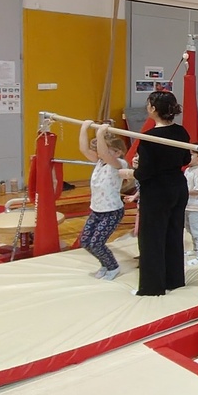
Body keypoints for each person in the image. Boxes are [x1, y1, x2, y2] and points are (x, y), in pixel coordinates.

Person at [133, 91, 192, 297]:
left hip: (157, 191)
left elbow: (145, 173)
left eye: (148, 104)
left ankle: (152, 287)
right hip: (177, 187)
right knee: (173, 234)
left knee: (151, 238)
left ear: (153, 109)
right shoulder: (181, 131)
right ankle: (174, 280)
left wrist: (133, 170)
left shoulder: (148, 138)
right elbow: (185, 159)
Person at [78, 120, 128, 281]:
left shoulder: (119, 164)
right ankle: (105, 264)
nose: (100, 153)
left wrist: (100, 133)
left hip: (111, 211)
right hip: (97, 210)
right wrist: (84, 128)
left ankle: (113, 267)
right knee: (85, 241)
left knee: (97, 243)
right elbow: (83, 149)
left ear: (118, 152)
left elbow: (105, 154)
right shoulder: (100, 162)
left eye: (105, 150)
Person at [183, 150, 198, 266]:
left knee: (197, 231)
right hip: (187, 205)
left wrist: (183, 191)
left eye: (192, 155)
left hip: (196, 206)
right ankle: (195, 249)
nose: (189, 157)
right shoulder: (187, 170)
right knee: (189, 228)